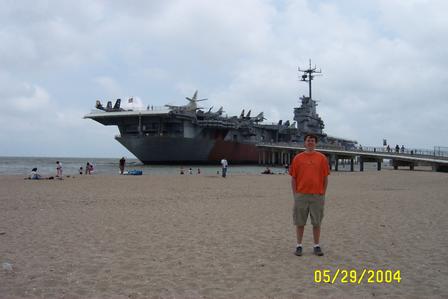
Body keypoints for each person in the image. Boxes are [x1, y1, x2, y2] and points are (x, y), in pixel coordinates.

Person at [289, 133, 330, 257]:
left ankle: (316, 245)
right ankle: (299, 245)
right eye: (308, 140)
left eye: (312, 140)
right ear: (304, 142)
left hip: (317, 195)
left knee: (317, 222)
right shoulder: (297, 158)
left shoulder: (322, 158)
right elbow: (293, 178)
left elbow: (325, 177)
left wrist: (323, 193)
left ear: (315, 143)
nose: (310, 142)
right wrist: (295, 194)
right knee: (299, 222)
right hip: (301, 195)